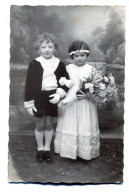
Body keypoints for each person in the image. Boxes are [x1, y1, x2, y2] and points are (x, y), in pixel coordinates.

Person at [24, 32, 73, 163]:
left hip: (52, 96)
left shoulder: (60, 64)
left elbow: (66, 81)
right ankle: (40, 149)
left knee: (49, 124)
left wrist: (59, 94)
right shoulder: (34, 64)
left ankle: (47, 149)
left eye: (50, 47)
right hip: (38, 97)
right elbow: (28, 85)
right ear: (39, 48)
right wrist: (29, 103)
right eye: (44, 47)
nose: (47, 49)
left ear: (54, 48)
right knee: (40, 124)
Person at [54, 40, 100, 160]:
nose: (79, 58)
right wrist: (63, 98)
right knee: (70, 123)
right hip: (70, 101)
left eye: (82, 55)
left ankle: (84, 151)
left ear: (86, 55)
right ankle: (70, 150)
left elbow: (97, 88)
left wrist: (88, 95)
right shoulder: (68, 68)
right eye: (76, 56)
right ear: (72, 56)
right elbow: (63, 85)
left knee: (84, 123)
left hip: (86, 102)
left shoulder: (91, 69)